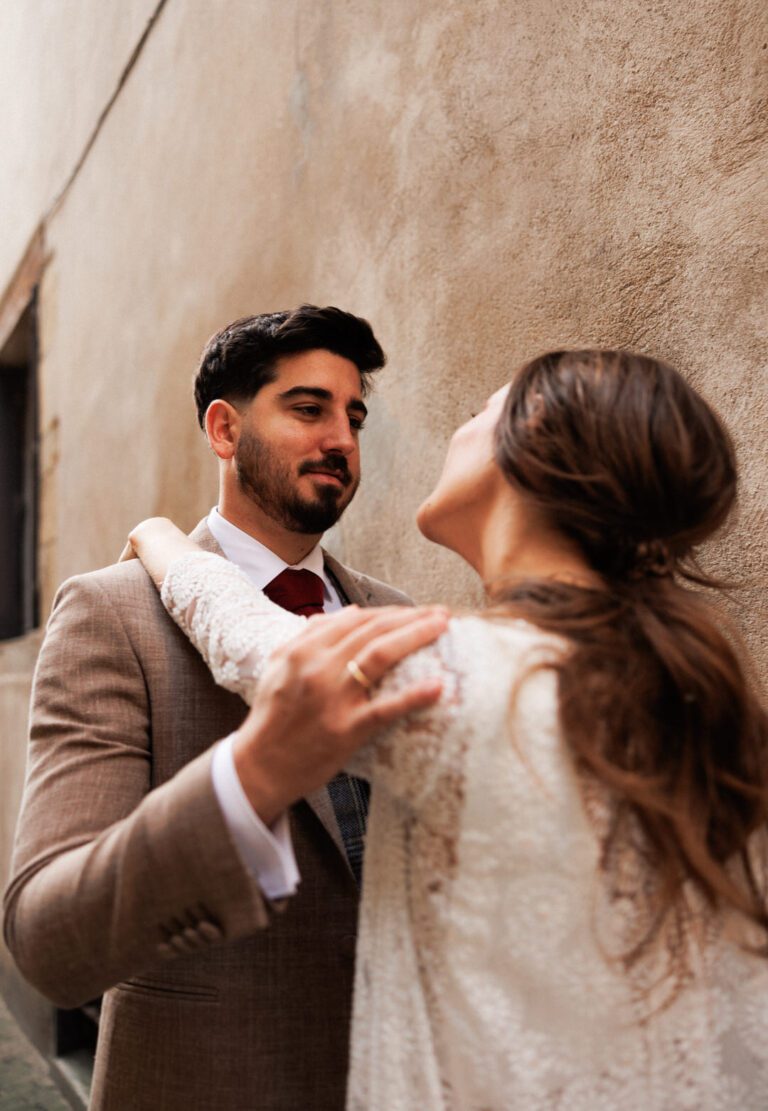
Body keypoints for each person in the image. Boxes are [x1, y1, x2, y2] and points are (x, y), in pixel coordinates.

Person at [124, 349, 768, 1109]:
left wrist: (158, 537)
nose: (346, 439)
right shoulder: (694, 697)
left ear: (530, 444)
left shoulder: (459, 673)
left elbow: (255, 644)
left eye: (478, 413)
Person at [3, 305, 448, 1111]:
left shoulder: (397, 614)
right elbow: (47, 938)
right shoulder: (113, 613)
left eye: (355, 417)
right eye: (309, 408)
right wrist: (242, 790)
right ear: (223, 428)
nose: (342, 440)